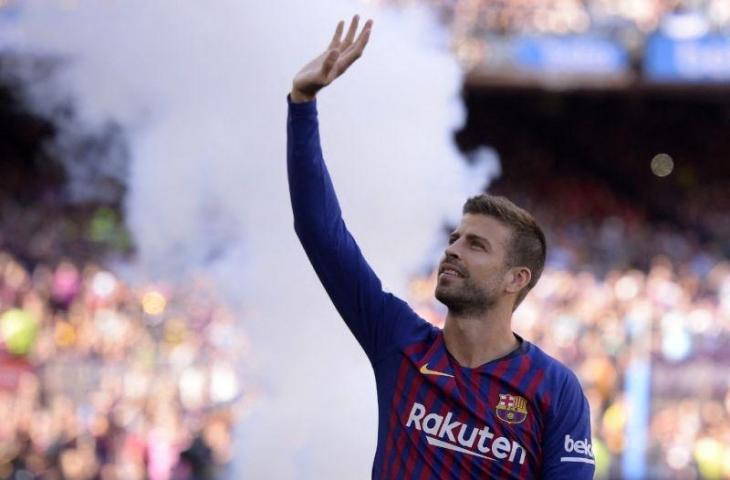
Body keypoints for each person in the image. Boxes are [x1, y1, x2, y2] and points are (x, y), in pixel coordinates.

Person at [287, 15, 595, 479]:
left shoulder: (555, 389)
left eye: (476, 245)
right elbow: (319, 231)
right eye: (453, 238)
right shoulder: (399, 339)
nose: (452, 250)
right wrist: (302, 103)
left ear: (517, 278)